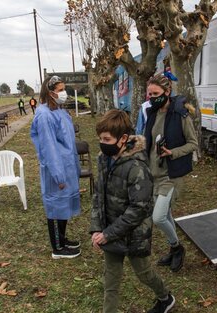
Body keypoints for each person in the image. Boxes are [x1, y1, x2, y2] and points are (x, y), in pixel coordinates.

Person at [90, 109, 175, 313]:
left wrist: (107, 233)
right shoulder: (103, 159)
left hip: (134, 235)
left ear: (124, 139)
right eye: (100, 138)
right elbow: (97, 196)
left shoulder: (137, 167)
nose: (102, 143)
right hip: (109, 232)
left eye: (107, 139)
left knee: (144, 272)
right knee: (110, 282)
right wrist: (96, 229)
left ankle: (165, 298)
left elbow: (138, 209)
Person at [144, 74, 198, 272]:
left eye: (156, 93)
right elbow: (148, 142)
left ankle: (177, 248)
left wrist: (172, 153)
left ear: (167, 92)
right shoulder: (151, 113)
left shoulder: (180, 114)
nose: (151, 97)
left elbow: (193, 143)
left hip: (171, 175)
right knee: (166, 214)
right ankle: (173, 250)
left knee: (158, 217)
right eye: (149, 93)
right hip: (153, 174)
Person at [30, 75, 81, 259]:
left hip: (66, 167)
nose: (63, 93)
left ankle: (63, 239)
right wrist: (59, 176)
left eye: (63, 89)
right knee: (55, 206)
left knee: (63, 205)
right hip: (56, 170)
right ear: (50, 92)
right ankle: (57, 248)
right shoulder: (44, 115)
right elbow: (49, 147)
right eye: (60, 90)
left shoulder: (58, 110)